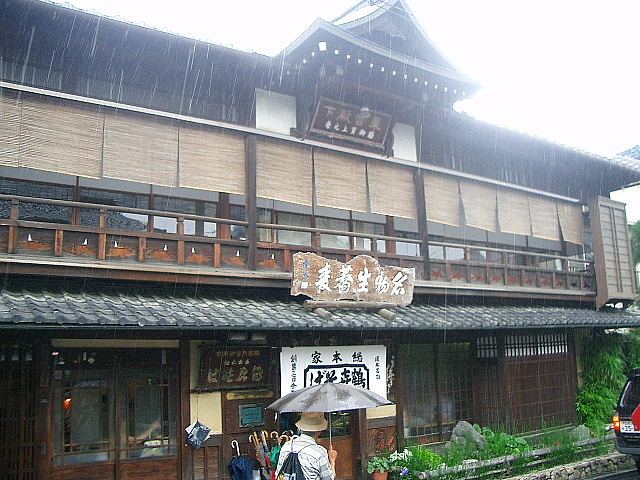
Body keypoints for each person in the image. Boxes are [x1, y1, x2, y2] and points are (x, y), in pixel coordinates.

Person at [275, 412, 338, 480]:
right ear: (319, 431)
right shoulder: (319, 452)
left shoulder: (286, 446)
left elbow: (278, 474)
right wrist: (332, 461)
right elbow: (329, 478)